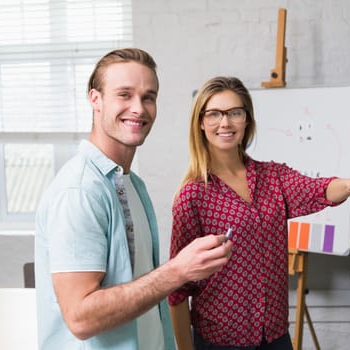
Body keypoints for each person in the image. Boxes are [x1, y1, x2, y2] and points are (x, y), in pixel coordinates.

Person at [168, 76, 350, 349]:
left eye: (235, 113)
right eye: (214, 114)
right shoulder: (193, 195)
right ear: (201, 122)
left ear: (246, 120)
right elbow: (177, 288)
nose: (225, 123)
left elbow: (316, 189)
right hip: (219, 341)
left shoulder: (272, 177)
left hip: (275, 337)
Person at [34, 48, 233, 350]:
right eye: (124, 95)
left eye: (148, 97)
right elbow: (81, 319)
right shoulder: (80, 191)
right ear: (95, 99)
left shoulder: (130, 184)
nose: (138, 108)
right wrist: (177, 271)